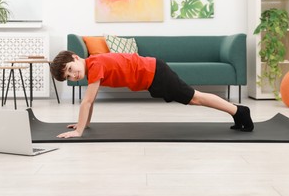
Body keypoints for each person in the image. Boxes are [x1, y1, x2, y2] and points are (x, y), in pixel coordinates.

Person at [50, 51, 254, 138]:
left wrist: (78, 132)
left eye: (70, 68)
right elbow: (90, 101)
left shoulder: (95, 65)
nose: (73, 75)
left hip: (155, 73)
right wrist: (82, 124)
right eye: (68, 76)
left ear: (76, 57)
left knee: (195, 97)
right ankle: (238, 112)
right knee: (194, 98)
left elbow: (86, 101)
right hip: (153, 74)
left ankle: (239, 111)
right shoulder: (93, 65)